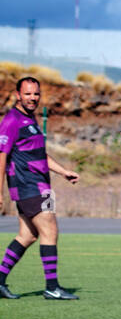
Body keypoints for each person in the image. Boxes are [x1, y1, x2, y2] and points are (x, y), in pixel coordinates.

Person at [0, 76, 80, 300]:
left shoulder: (30, 119)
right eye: (27, 94)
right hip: (29, 186)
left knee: (27, 235)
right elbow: (1, 156)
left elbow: (39, 154)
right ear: (18, 95)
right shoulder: (12, 120)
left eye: (36, 93)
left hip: (40, 184)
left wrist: (63, 171)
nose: (32, 98)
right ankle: (52, 287)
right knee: (50, 231)